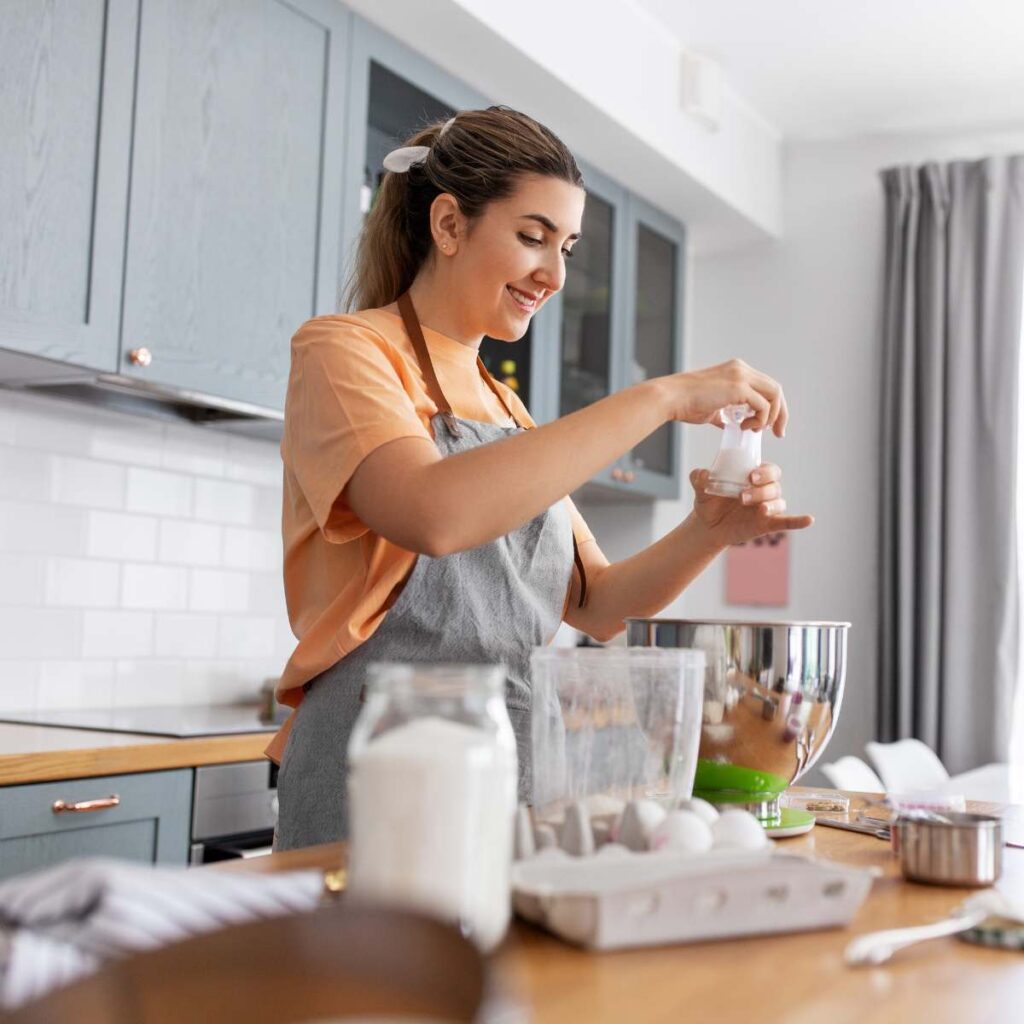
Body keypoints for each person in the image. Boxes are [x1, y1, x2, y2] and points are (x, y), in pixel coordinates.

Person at [269, 106, 813, 850]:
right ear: (450, 225)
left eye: (567, 247)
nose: (554, 275)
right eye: (533, 237)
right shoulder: (345, 351)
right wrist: (659, 396)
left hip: (505, 769)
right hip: (378, 768)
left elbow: (599, 605)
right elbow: (432, 513)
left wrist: (708, 530)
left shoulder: (509, 410)